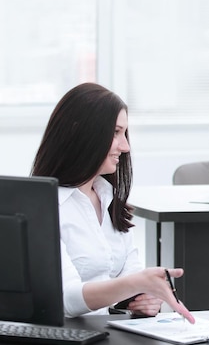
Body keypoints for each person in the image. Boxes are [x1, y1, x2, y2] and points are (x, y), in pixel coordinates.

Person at [31, 83, 194, 322]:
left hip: (105, 334)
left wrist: (141, 298)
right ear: (82, 132)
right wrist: (133, 284)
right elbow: (65, 299)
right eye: (116, 132)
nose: (125, 146)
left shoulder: (108, 199)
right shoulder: (45, 208)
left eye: (124, 134)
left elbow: (131, 272)